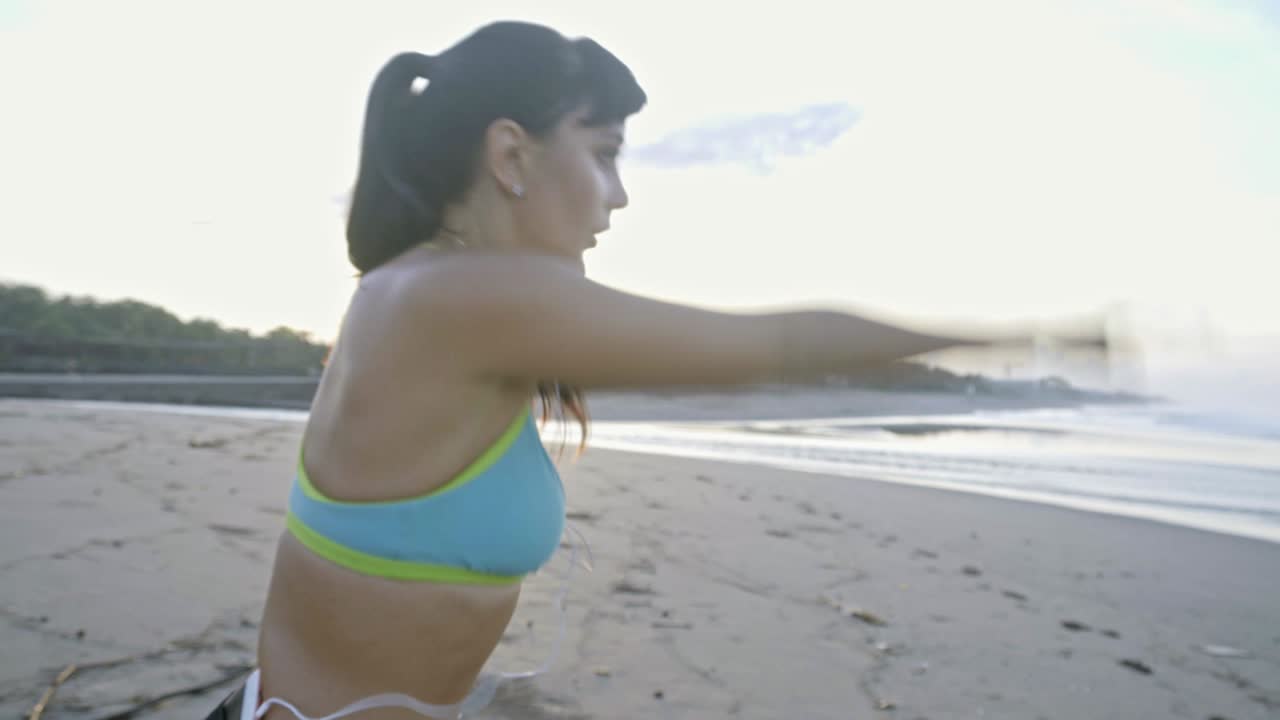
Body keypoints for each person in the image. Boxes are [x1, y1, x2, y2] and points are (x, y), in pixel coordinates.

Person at [203, 19, 1052, 720]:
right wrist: (996, 339)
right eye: (604, 153)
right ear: (511, 155)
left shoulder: (424, 287)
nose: (619, 194)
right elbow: (772, 348)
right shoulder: (455, 298)